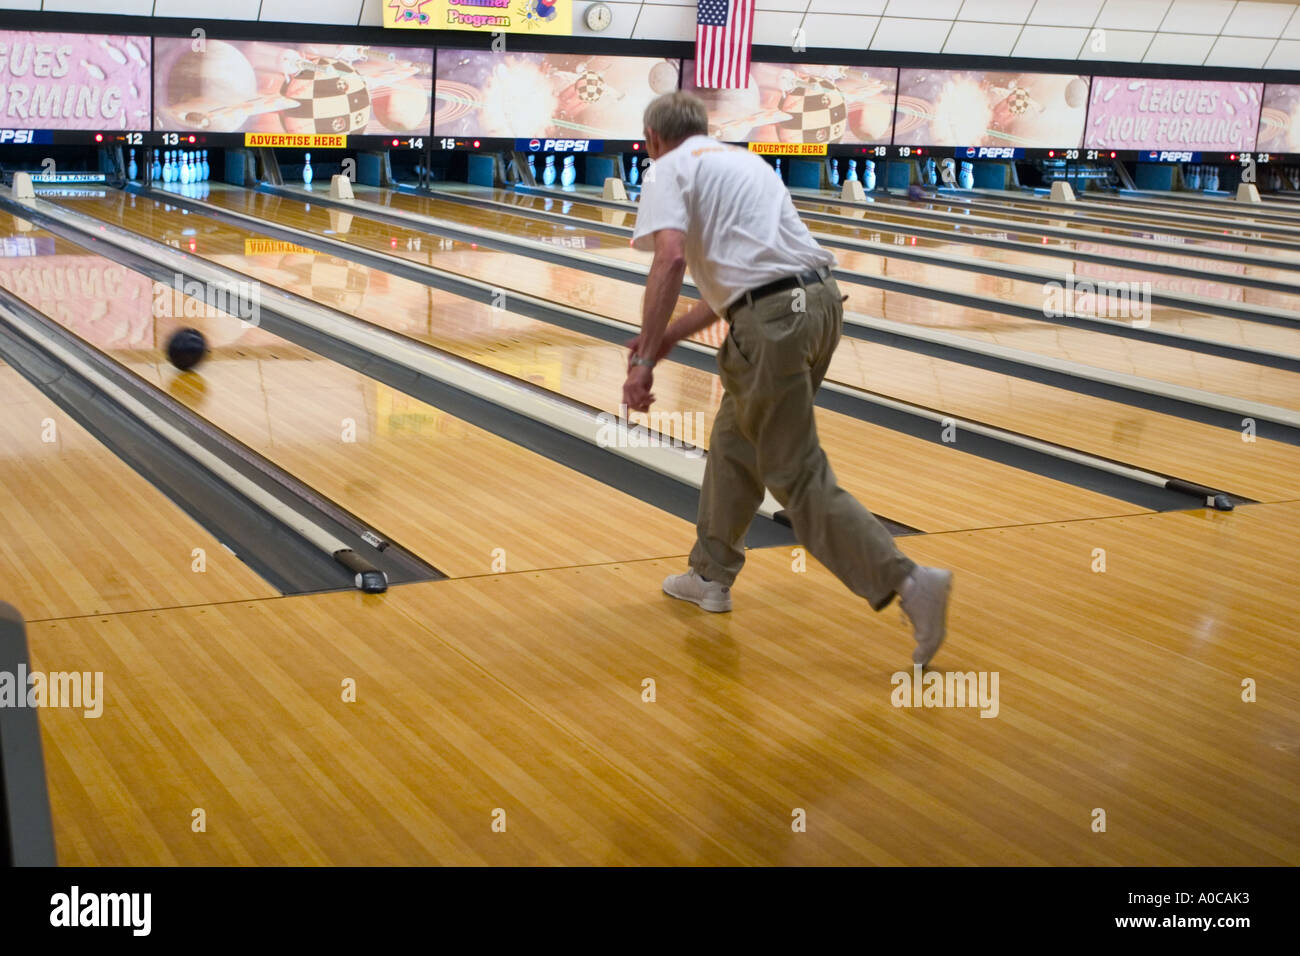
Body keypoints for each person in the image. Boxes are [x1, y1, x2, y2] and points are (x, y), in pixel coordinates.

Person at [622, 91, 953, 666]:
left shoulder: (666, 170)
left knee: (793, 473)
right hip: (820, 303)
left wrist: (645, 358)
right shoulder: (744, 162)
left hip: (772, 323)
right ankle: (711, 575)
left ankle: (908, 580)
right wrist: (673, 336)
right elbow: (753, 276)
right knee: (734, 444)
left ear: (652, 138)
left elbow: (670, 259)